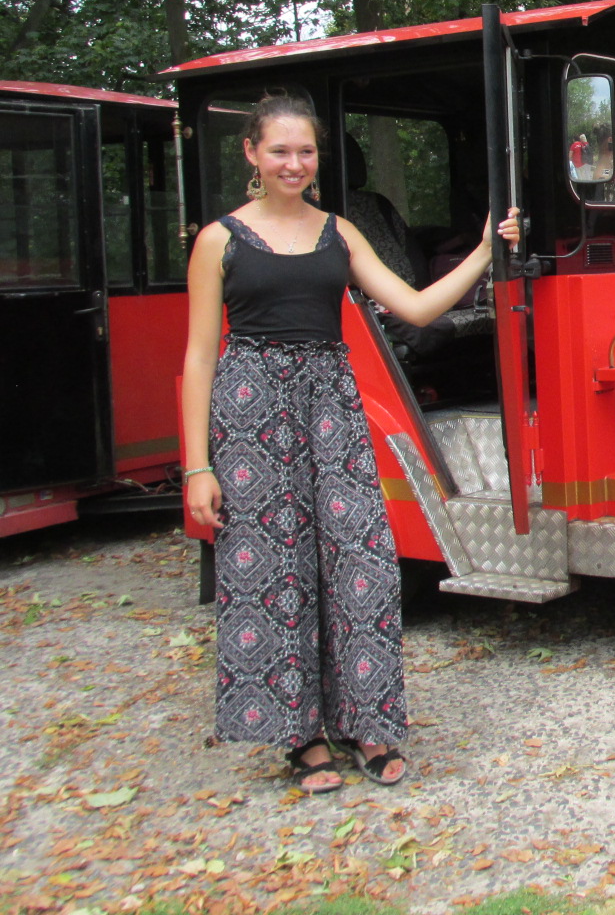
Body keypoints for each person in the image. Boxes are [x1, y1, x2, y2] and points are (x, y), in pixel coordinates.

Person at [180, 93, 520, 794]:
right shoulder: (220, 239)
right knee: (271, 572)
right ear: (251, 153)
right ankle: (299, 737)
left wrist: (488, 250)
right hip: (251, 413)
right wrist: (196, 467)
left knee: (360, 558)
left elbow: (417, 306)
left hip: (331, 405)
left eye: (304, 152)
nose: (293, 163)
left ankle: (369, 723)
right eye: (279, 151)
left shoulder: (339, 232)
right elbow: (198, 359)